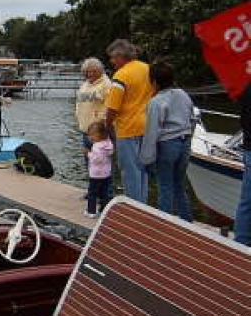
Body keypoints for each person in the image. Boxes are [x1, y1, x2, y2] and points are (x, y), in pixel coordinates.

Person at [139, 60, 195, 222]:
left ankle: (164, 222)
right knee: (179, 184)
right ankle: (186, 220)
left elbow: (151, 132)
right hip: (185, 142)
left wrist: (146, 159)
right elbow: (192, 119)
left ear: (154, 82)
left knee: (165, 185)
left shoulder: (155, 102)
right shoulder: (182, 94)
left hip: (167, 145)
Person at [105, 39, 153, 203]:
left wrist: (107, 125)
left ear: (121, 56)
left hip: (127, 128)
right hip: (147, 126)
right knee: (143, 170)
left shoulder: (121, 75)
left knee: (130, 171)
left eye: (113, 57)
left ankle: (133, 206)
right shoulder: (147, 68)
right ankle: (143, 204)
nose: (112, 61)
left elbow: (113, 107)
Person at [75, 57, 112, 180]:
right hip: (85, 130)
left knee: (102, 163)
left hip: (98, 131)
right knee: (89, 162)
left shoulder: (106, 84)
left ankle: (105, 189)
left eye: (93, 71)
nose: (90, 74)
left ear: (100, 70)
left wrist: (101, 121)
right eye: (87, 71)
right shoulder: (85, 84)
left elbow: (110, 106)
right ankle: (93, 186)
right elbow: (79, 103)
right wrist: (78, 116)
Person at [84, 121, 114, 218]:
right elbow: (109, 154)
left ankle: (91, 211)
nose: (90, 137)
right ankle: (103, 210)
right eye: (89, 135)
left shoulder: (97, 146)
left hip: (96, 175)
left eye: (92, 135)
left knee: (92, 193)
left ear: (100, 134)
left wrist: (88, 154)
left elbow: (96, 159)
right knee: (104, 193)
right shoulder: (108, 144)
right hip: (106, 174)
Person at [235, 83, 251, 246]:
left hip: (248, 149)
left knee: (246, 202)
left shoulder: (247, 89)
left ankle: (241, 243)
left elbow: (243, 122)